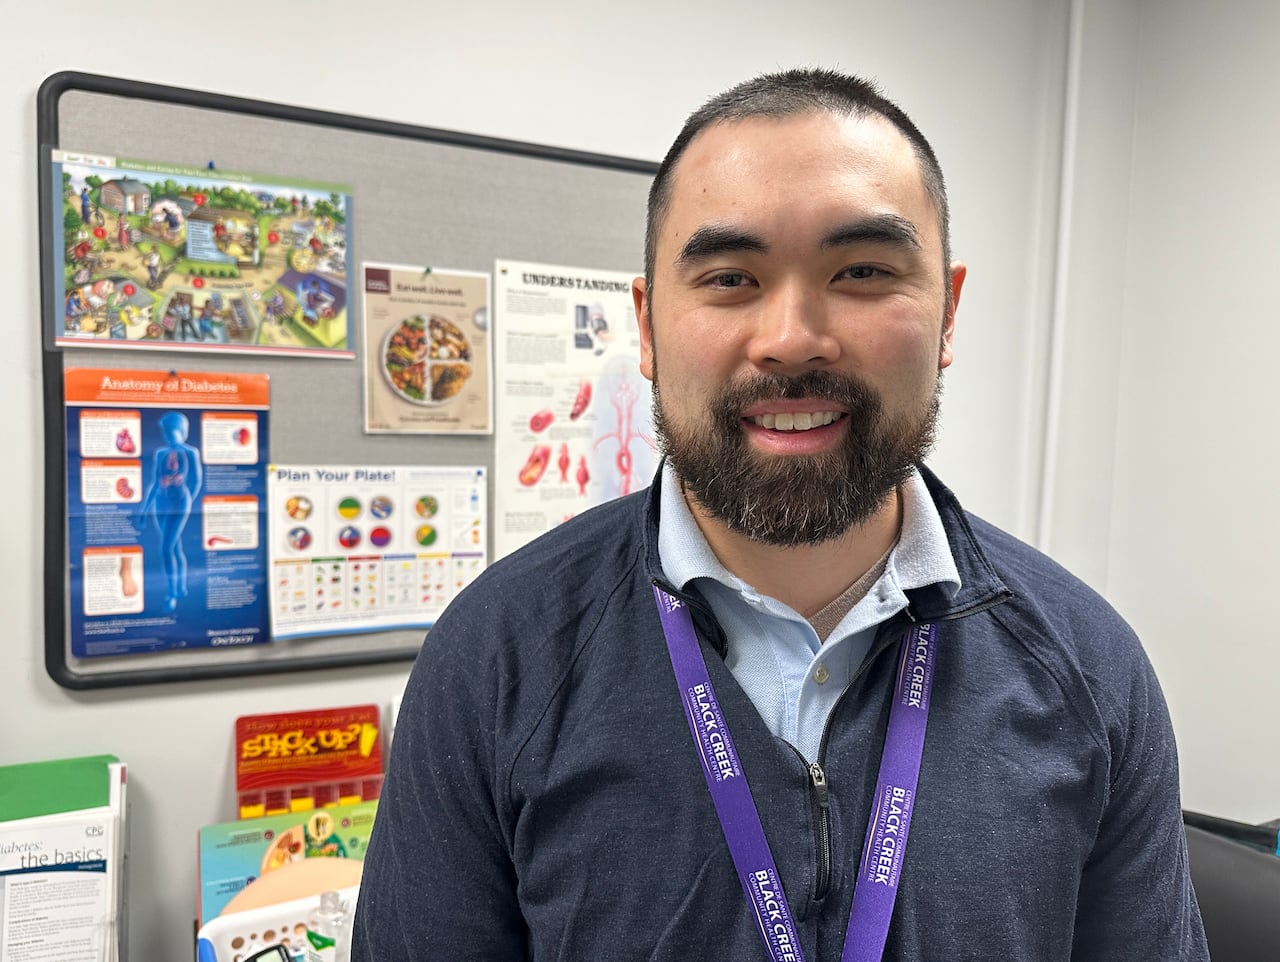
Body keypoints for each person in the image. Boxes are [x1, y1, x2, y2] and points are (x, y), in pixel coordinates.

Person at [352, 69, 1208, 961]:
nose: (793, 337)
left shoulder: (1092, 668)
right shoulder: (496, 659)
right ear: (646, 328)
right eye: (729, 277)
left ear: (949, 311)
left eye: (865, 271)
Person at [136, 411, 202, 613]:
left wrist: (187, 498)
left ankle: (171, 593)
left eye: (173, 431)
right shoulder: (160, 453)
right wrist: (144, 510)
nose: (169, 436)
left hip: (180, 502)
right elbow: (155, 483)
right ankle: (180, 587)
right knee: (173, 547)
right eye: (167, 432)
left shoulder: (191, 452)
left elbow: (196, 481)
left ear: (182, 431)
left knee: (166, 548)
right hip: (161, 504)